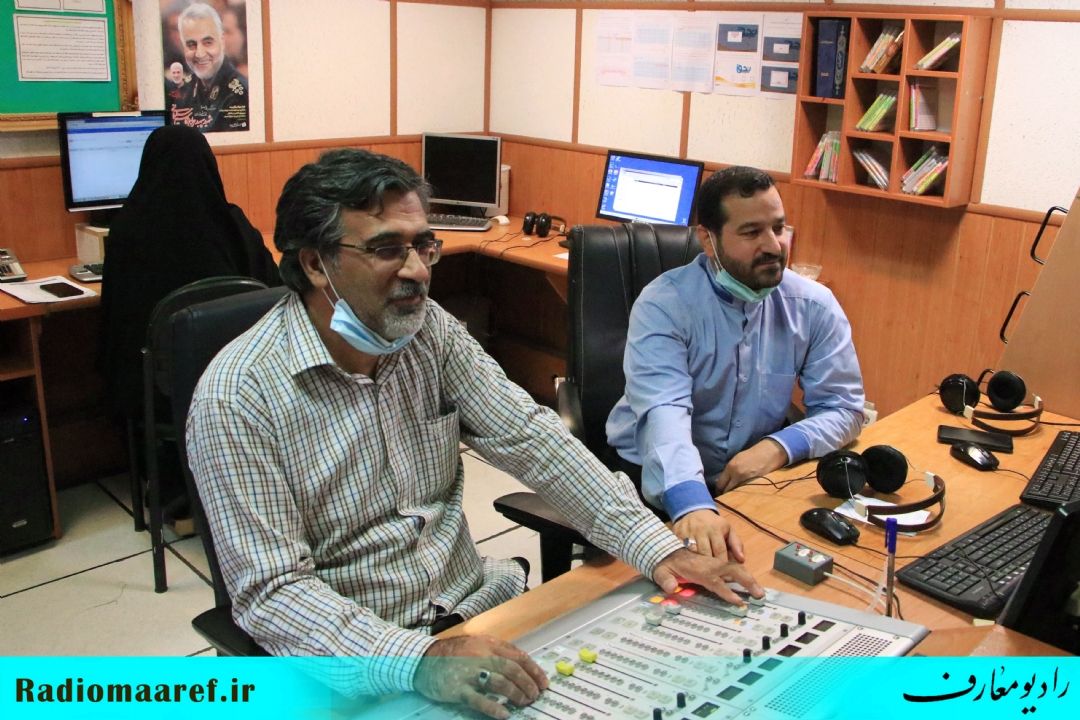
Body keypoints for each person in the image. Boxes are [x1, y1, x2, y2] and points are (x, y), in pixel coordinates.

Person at [185, 148, 763, 719]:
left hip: (476, 614)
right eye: (387, 249)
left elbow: (533, 440)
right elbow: (273, 592)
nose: (417, 270)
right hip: (361, 663)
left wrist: (658, 549)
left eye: (423, 245)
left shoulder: (428, 332)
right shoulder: (238, 397)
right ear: (316, 264)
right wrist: (418, 659)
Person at [607, 166, 865, 561]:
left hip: (752, 476)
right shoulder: (664, 306)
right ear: (707, 241)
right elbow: (664, 413)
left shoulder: (812, 305)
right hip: (655, 479)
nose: (774, 246)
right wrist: (691, 503)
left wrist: (778, 447)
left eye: (778, 227)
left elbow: (844, 408)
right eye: (751, 232)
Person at [100, 124, 279, 513]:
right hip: (238, 380)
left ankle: (165, 481)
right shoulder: (232, 222)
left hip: (160, 391)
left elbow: (115, 320)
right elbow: (273, 287)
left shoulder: (127, 230)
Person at [171, 2, 249, 133]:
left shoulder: (238, 95)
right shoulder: (184, 90)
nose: (199, 53)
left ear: (222, 41)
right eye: (191, 44)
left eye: (208, 42)